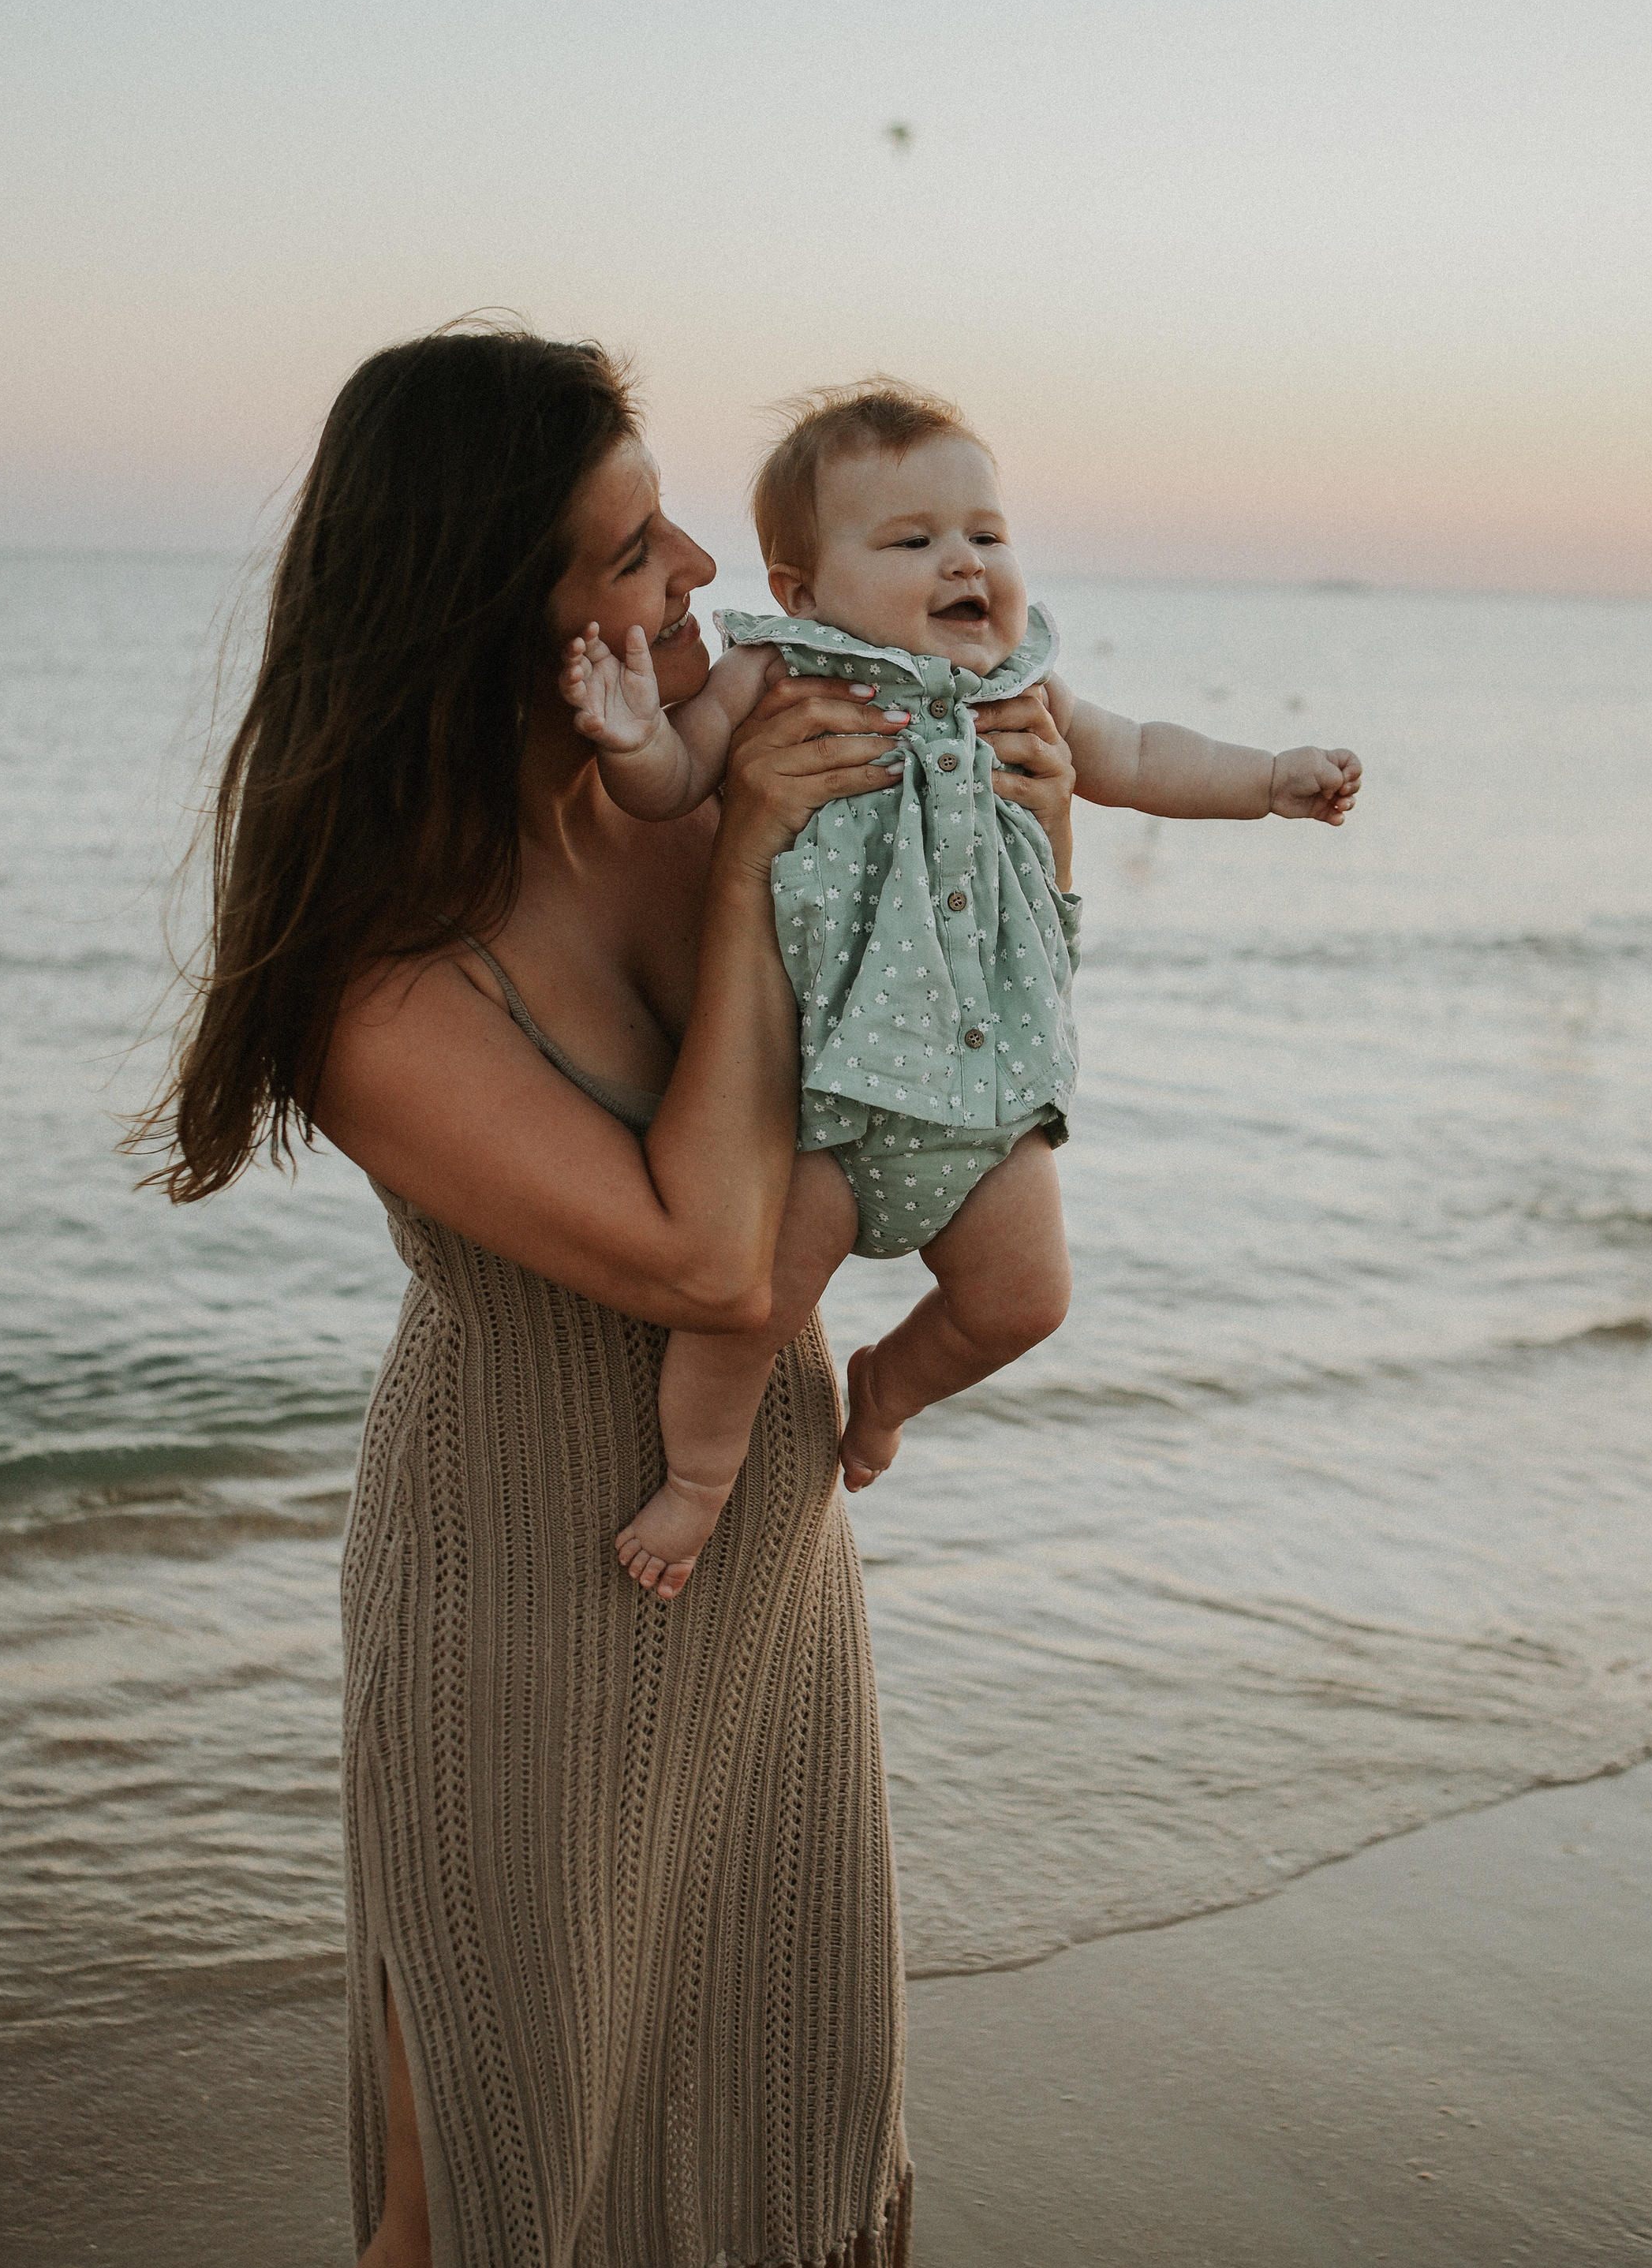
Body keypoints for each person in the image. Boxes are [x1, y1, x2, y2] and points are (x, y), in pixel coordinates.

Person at [142, 326, 1076, 2268]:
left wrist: (1013, 820)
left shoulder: (664, 792)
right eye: (618, 549)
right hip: (511, 1566)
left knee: (810, 2018)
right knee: (484, 2161)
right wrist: (762, 851)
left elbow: (932, 1058)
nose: (683, 576)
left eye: (671, 522)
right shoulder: (376, 981)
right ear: (480, 605)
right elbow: (692, 1249)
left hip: (749, 1520)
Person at [562, 380, 1363, 1599]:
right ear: (801, 587)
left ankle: (886, 1391)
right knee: (748, 1307)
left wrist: (1270, 779)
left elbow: (1141, 757)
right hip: (826, 1095)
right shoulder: (778, 677)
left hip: (987, 1092)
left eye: (986, 535)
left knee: (1027, 1299)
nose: (964, 563)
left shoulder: (1024, 691)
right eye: (912, 541)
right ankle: (701, 1483)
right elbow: (676, 786)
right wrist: (632, 739)